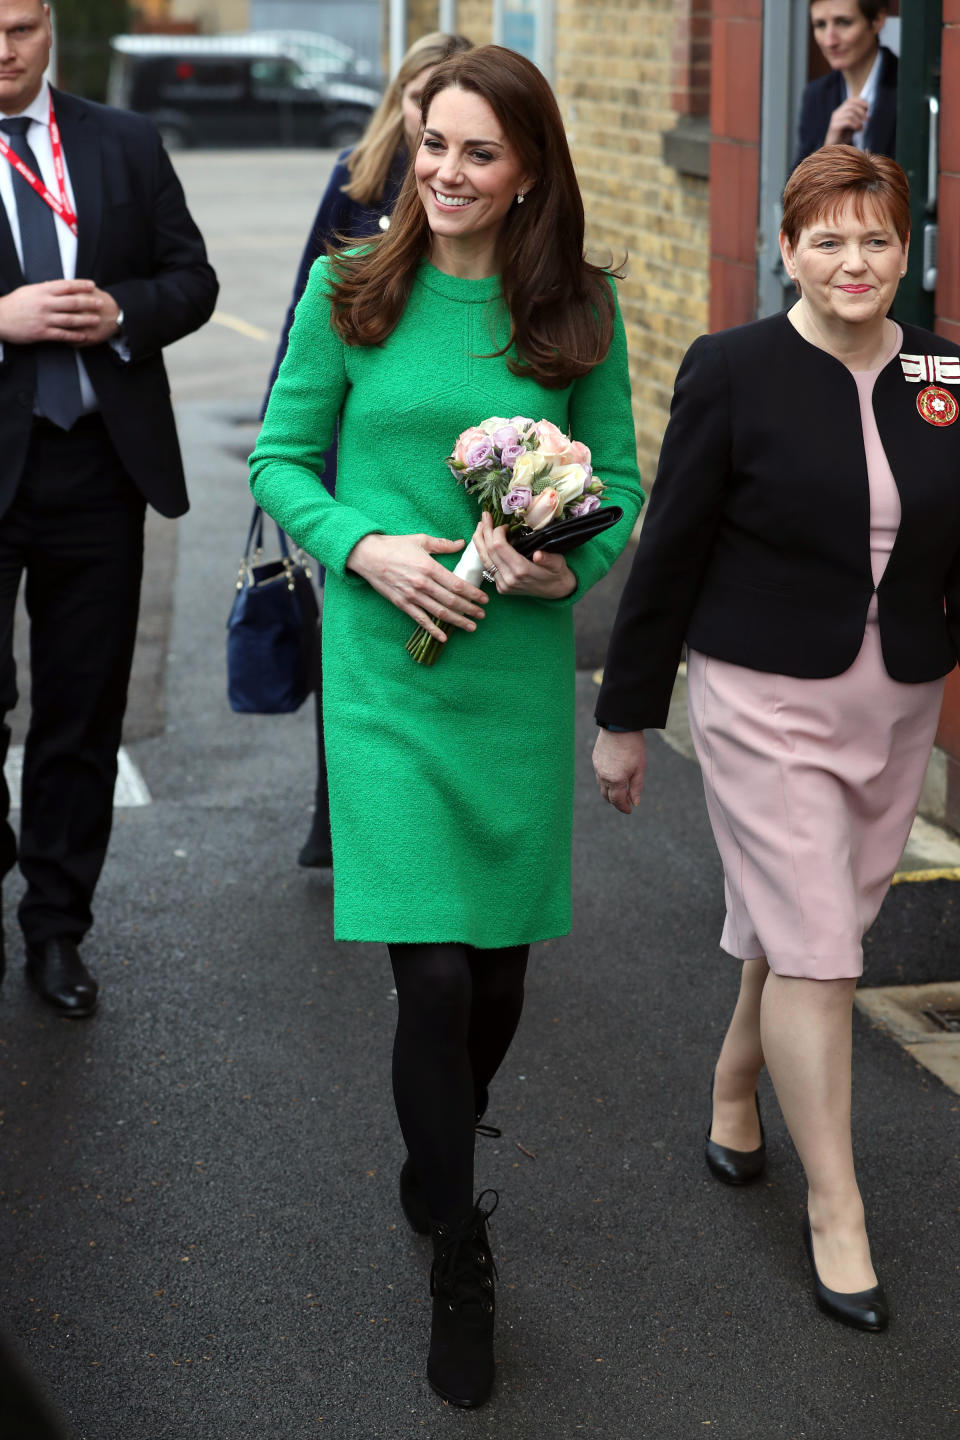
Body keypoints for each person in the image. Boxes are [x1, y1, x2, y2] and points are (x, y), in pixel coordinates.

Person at [251, 45, 643, 1408]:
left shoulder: (579, 311)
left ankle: (439, 1153)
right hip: (386, 678)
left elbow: (620, 487)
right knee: (428, 977)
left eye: (481, 151)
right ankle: (461, 1251)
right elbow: (281, 462)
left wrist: (563, 565)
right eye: (435, 146)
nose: (449, 172)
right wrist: (366, 550)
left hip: (512, 681)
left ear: (529, 166)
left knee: (495, 984)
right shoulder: (349, 289)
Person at [593, 146, 960, 1335]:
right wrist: (626, 717)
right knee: (821, 946)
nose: (856, 263)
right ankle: (837, 1211)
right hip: (761, 695)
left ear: (907, 250)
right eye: (830, 239)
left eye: (879, 240)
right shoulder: (735, 369)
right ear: (790, 246)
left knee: (820, 926)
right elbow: (671, 550)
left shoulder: (949, 368)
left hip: (895, 695)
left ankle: (737, 1079)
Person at [0, 1, 217, 1015]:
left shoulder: (124, 141)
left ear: (50, 27)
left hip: (97, 471)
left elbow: (195, 279)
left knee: (81, 716)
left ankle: (55, 931)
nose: (3, 51)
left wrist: (128, 310)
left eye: (21, 28)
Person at [262, 30, 472, 870]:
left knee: (436, 633)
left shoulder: (478, 194)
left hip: (444, 458)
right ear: (404, 100)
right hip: (353, 450)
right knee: (350, 635)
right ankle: (336, 806)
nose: (431, 117)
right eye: (420, 97)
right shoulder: (359, 175)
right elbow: (304, 311)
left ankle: (431, 810)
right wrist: (296, 451)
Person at [794, 1, 897, 168]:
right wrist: (828, 151)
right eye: (820, 25)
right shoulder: (817, 94)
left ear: (877, 21)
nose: (830, 41)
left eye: (843, 23)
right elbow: (794, 192)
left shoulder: (908, 87)